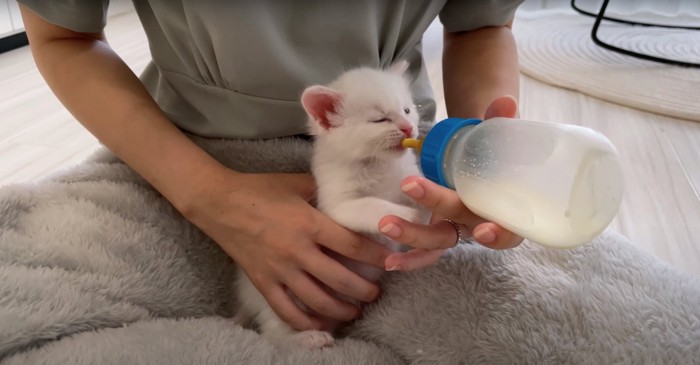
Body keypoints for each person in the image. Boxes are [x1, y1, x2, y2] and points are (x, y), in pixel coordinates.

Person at [17, 0, 524, 332]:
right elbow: (65, 35)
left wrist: (479, 165)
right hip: (172, 160)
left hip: (419, 172)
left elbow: (483, 22)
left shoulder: (395, 127)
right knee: (28, 314)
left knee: (532, 326)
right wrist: (208, 194)